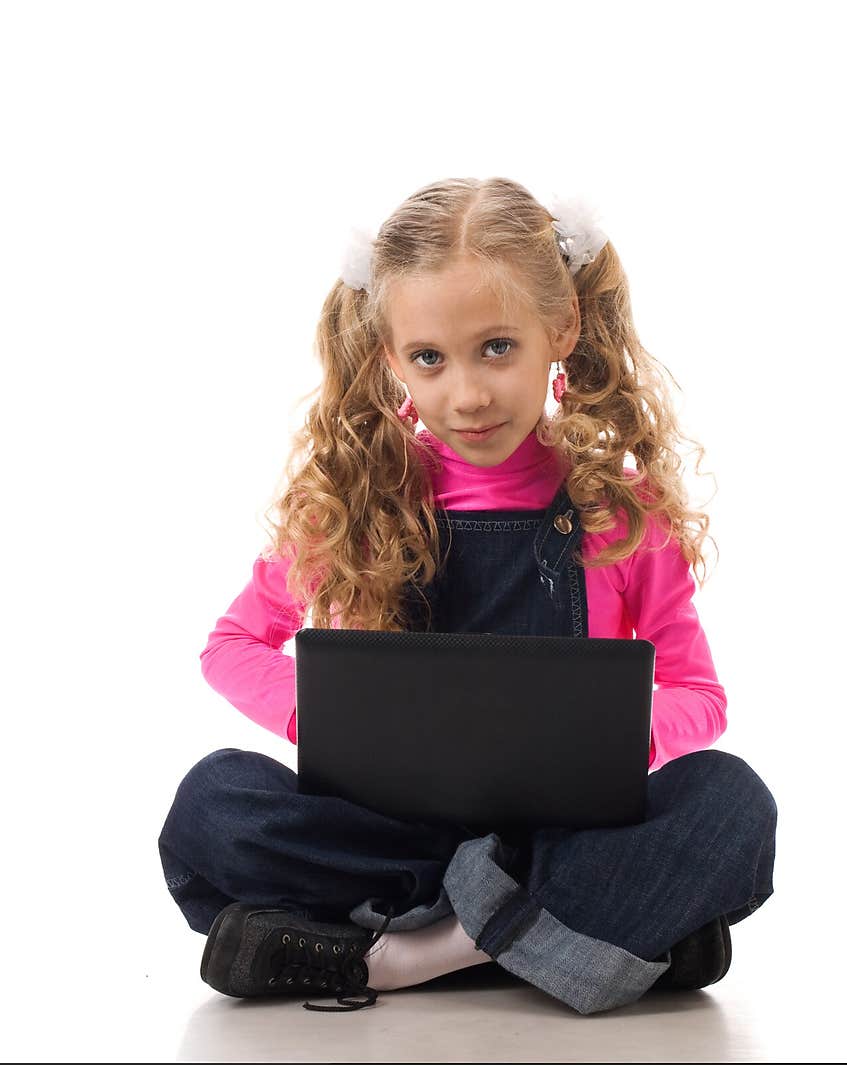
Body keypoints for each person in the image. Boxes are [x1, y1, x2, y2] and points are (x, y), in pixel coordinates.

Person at [158, 176, 777, 1015]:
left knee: (730, 803)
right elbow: (231, 644)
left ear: (558, 330)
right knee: (213, 802)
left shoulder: (622, 511)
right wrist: (327, 721)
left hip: (562, 831)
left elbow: (700, 695)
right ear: (388, 355)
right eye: (429, 359)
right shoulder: (351, 500)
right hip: (390, 836)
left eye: (496, 348)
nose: (467, 394)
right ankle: (575, 938)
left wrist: (609, 743)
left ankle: (406, 953)